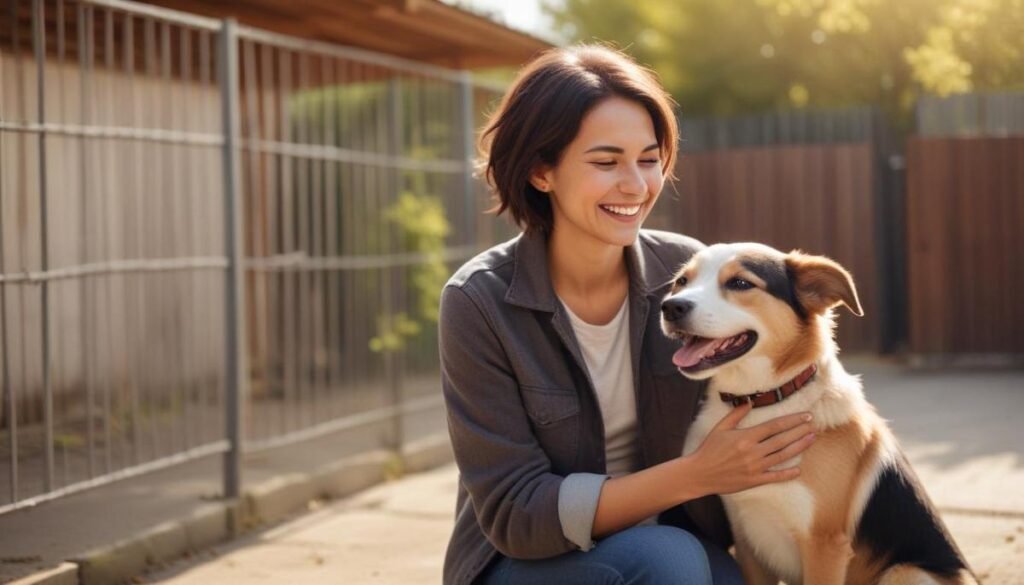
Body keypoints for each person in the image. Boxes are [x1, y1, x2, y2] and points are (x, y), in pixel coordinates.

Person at [438, 44, 816, 585]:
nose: (636, 187)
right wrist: (695, 475)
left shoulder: (685, 271)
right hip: (525, 562)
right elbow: (516, 513)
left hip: (674, 537)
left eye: (648, 158)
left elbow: (775, 377)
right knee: (670, 564)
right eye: (606, 161)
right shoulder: (478, 302)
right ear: (542, 171)